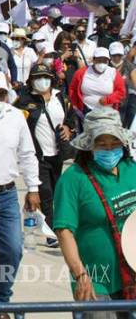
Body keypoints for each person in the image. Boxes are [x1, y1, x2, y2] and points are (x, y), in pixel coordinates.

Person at [54, 107, 136, 314]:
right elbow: (64, 231)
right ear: (88, 146)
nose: (109, 149)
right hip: (97, 282)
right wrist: (80, 275)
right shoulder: (73, 179)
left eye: (114, 143)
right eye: (101, 144)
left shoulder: (132, 169)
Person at [0, 70, 42, 304]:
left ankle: (1, 298)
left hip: (6, 194)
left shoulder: (15, 117)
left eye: (1, 94)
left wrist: (33, 188)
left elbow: (27, 153)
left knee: (13, 250)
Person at [14, 64, 74, 248]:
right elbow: (15, 123)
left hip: (57, 154)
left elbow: (70, 118)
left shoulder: (61, 98)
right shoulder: (24, 101)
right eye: (38, 77)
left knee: (57, 192)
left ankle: (58, 225)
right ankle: (51, 233)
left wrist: (67, 128)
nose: (42, 81)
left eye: (45, 76)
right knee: (45, 193)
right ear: (31, 80)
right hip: (37, 156)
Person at [70, 47, 126, 114]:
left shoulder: (114, 73)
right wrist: (75, 106)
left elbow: (121, 92)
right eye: (99, 60)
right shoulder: (81, 72)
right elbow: (73, 89)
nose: (102, 63)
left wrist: (107, 100)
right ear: (94, 60)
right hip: (86, 110)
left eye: (105, 61)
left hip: (107, 112)